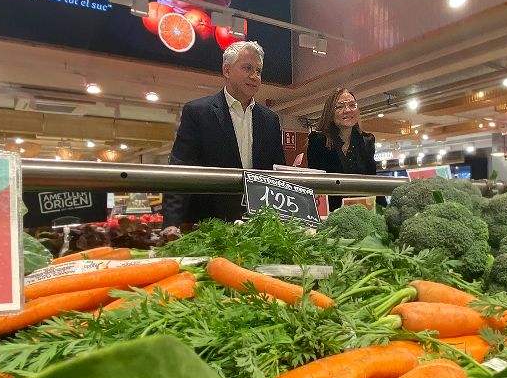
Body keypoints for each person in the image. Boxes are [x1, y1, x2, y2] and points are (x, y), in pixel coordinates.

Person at [161, 41, 284, 234]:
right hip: (208, 225)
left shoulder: (270, 120)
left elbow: (277, 174)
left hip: (258, 226)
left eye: (259, 71)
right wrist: (171, 222)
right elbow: (180, 168)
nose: (255, 76)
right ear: (227, 70)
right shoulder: (198, 112)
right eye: (247, 68)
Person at [306, 88, 381, 211]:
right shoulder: (318, 141)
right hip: (330, 214)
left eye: (352, 105)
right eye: (339, 106)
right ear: (330, 112)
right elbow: (316, 186)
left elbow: (373, 182)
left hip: (362, 211)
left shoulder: (367, 141)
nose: (347, 110)